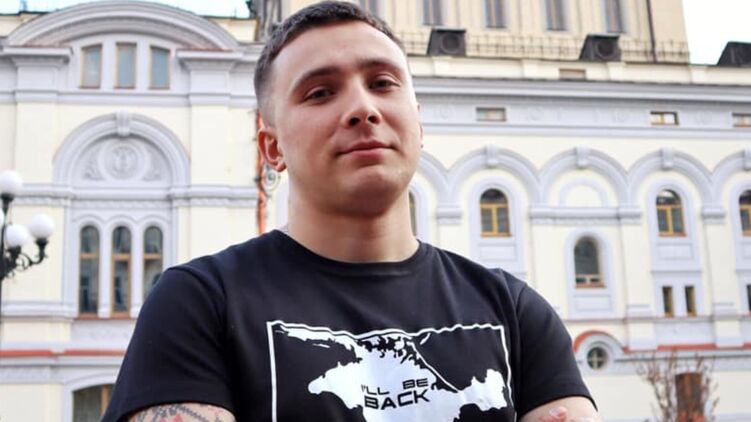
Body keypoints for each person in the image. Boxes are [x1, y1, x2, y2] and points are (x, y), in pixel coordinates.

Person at [102, 2, 600, 421]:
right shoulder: (201, 303)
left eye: (382, 83)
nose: (363, 109)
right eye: (320, 92)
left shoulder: (515, 312)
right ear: (271, 148)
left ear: (418, 125)